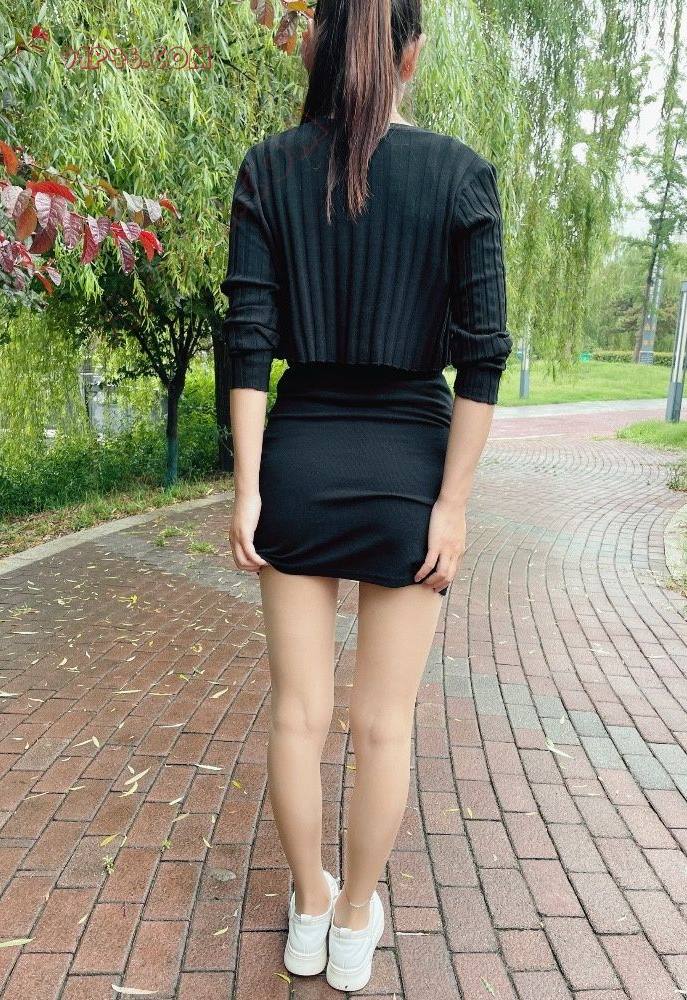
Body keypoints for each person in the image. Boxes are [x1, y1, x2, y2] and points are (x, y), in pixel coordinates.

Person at [222, 0, 512, 991]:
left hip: (297, 464)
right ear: (411, 55)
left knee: (298, 714)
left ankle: (308, 905)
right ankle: (353, 923)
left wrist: (248, 490)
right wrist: (451, 506)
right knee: (382, 724)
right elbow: (482, 358)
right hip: (409, 476)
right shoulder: (460, 175)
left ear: (316, 46)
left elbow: (248, 341)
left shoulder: (267, 169)